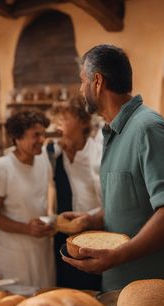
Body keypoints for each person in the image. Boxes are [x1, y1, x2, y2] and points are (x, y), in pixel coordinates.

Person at [61, 44, 164, 291]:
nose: (81, 89)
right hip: (119, 285)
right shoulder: (114, 132)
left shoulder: (148, 128)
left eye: (82, 81)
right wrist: (91, 219)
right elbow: (132, 202)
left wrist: (118, 255)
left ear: (97, 81)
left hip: (153, 289)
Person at [0, 110, 55, 287]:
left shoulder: (42, 159)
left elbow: (46, 192)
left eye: (43, 134)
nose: (42, 140)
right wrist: (26, 228)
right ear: (17, 137)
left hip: (42, 253)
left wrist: (51, 217)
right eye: (36, 135)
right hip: (14, 257)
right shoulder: (1, 167)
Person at [48, 96, 103, 290]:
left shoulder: (98, 154)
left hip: (93, 236)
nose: (58, 124)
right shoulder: (54, 154)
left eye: (64, 119)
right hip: (62, 238)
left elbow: (109, 203)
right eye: (57, 119)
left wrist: (90, 218)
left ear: (82, 121)